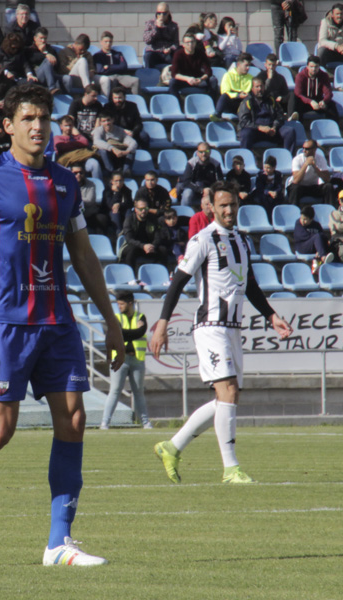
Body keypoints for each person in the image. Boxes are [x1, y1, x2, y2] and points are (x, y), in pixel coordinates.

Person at [0, 83, 122, 569]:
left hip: (57, 320)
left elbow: (84, 255)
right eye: (28, 118)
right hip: (3, 324)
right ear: (8, 125)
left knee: (74, 419)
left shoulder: (65, 183)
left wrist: (112, 321)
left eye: (44, 118)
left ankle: (58, 543)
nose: (38, 127)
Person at [150, 181, 293, 485]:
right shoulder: (202, 240)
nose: (229, 210)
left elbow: (249, 284)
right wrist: (162, 323)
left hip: (232, 328)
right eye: (222, 205)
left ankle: (172, 446)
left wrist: (271, 315)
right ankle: (231, 469)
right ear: (212, 207)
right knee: (227, 392)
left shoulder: (242, 241)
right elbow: (177, 281)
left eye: (232, 204)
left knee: (227, 398)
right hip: (210, 327)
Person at [100, 291, 149, 429]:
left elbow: (139, 332)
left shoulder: (141, 316)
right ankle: (105, 422)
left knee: (139, 392)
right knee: (115, 390)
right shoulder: (116, 318)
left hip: (137, 359)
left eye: (121, 304)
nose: (119, 306)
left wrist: (126, 334)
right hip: (119, 360)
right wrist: (134, 332)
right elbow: (122, 334)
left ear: (130, 303)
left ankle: (146, 422)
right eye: (118, 304)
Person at [237, 78, 298, 153]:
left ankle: (289, 158)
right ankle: (245, 159)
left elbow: (280, 115)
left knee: (289, 131)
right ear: (252, 88)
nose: (260, 89)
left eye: (261, 86)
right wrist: (260, 127)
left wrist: (274, 127)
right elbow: (244, 121)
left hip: (271, 131)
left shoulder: (271, 99)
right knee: (245, 134)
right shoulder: (247, 101)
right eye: (257, 87)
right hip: (255, 131)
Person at [119, 198, 168, 270]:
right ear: (135, 209)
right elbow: (129, 239)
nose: (144, 211)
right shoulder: (129, 220)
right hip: (134, 246)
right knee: (132, 250)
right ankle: (131, 277)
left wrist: (153, 246)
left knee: (163, 250)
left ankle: (160, 273)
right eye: (141, 209)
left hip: (149, 247)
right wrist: (143, 246)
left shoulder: (153, 219)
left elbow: (158, 236)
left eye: (146, 208)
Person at [177, 142, 222, 209]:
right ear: (197, 153)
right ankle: (184, 214)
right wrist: (201, 190)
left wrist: (210, 189)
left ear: (210, 152)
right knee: (187, 194)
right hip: (193, 188)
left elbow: (220, 182)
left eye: (206, 151)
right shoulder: (191, 163)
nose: (203, 154)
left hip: (209, 189)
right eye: (201, 152)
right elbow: (186, 182)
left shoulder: (215, 164)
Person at [93, 32, 139, 96]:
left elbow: (124, 67)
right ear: (101, 42)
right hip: (107, 77)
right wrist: (117, 67)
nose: (108, 44)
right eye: (106, 42)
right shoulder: (97, 55)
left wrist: (108, 67)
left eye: (110, 42)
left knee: (135, 80)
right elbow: (100, 70)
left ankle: (135, 101)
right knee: (110, 82)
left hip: (119, 76)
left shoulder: (118, 54)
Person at [169, 32, 215, 96]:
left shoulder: (200, 53)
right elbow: (174, 74)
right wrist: (188, 79)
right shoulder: (178, 54)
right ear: (183, 44)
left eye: (192, 42)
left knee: (213, 80)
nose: (190, 44)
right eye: (187, 42)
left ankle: (212, 102)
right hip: (184, 79)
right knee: (173, 82)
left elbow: (208, 71)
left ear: (195, 43)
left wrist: (201, 79)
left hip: (198, 79)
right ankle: (177, 104)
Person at [288, 140, 332, 206]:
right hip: (300, 186)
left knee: (328, 187)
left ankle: (329, 210)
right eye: (303, 148)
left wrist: (315, 167)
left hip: (313, 185)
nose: (304, 150)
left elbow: (327, 179)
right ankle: (294, 212)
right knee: (295, 188)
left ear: (314, 149)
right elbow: (296, 180)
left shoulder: (321, 159)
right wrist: (305, 164)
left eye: (307, 149)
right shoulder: (297, 159)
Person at [91, 112, 136, 176]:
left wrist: (126, 152)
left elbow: (133, 142)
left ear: (112, 120)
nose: (107, 123)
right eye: (104, 121)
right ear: (100, 122)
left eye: (108, 120)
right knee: (102, 150)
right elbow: (97, 141)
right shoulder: (98, 130)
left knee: (132, 150)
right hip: (104, 157)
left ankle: (126, 171)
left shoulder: (120, 130)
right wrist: (113, 148)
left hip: (118, 155)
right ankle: (111, 171)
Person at [293, 205, 334, 273]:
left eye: (305, 219)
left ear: (311, 219)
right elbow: (302, 236)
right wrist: (317, 240)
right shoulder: (298, 223)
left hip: (313, 247)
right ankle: (323, 257)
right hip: (302, 246)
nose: (302, 221)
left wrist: (319, 246)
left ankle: (317, 261)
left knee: (324, 241)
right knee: (317, 237)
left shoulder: (316, 225)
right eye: (301, 218)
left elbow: (323, 237)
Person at [294, 55, 336, 120]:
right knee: (297, 105)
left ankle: (333, 126)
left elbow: (328, 93)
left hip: (318, 101)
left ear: (319, 66)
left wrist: (324, 101)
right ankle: (299, 127)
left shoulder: (323, 75)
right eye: (311, 67)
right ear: (307, 66)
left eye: (316, 67)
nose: (314, 69)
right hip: (304, 102)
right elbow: (298, 94)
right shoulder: (300, 76)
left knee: (331, 105)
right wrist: (310, 101)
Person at [214, 51, 251, 117]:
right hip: (232, 102)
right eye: (246, 65)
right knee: (224, 96)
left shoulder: (251, 78)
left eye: (249, 65)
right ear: (239, 64)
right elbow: (225, 92)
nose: (248, 68)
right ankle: (217, 115)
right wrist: (238, 95)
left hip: (244, 103)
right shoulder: (228, 75)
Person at [142, 2, 179, 68]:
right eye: (159, 13)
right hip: (154, 51)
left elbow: (176, 43)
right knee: (148, 57)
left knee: (177, 57)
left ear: (168, 13)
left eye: (164, 13)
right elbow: (147, 40)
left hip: (167, 52)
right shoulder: (150, 23)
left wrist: (170, 49)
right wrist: (156, 28)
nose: (161, 15)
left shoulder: (173, 26)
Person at [25, 28, 59, 93]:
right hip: (37, 76)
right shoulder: (30, 50)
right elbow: (33, 59)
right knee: (48, 60)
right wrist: (44, 54)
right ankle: (52, 88)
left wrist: (46, 52)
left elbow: (57, 64)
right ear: (35, 38)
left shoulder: (50, 49)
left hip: (51, 75)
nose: (43, 41)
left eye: (45, 38)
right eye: (41, 38)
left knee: (67, 79)